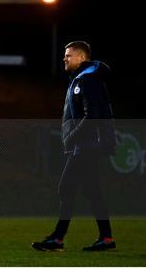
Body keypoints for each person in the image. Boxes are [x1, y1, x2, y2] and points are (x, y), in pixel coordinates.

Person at [32, 41, 117, 252]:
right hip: (85, 144)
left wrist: (71, 136)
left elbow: (93, 117)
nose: (64, 58)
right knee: (92, 191)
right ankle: (106, 239)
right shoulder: (82, 79)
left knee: (66, 187)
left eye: (68, 55)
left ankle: (58, 238)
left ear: (81, 57)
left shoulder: (87, 80)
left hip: (87, 145)